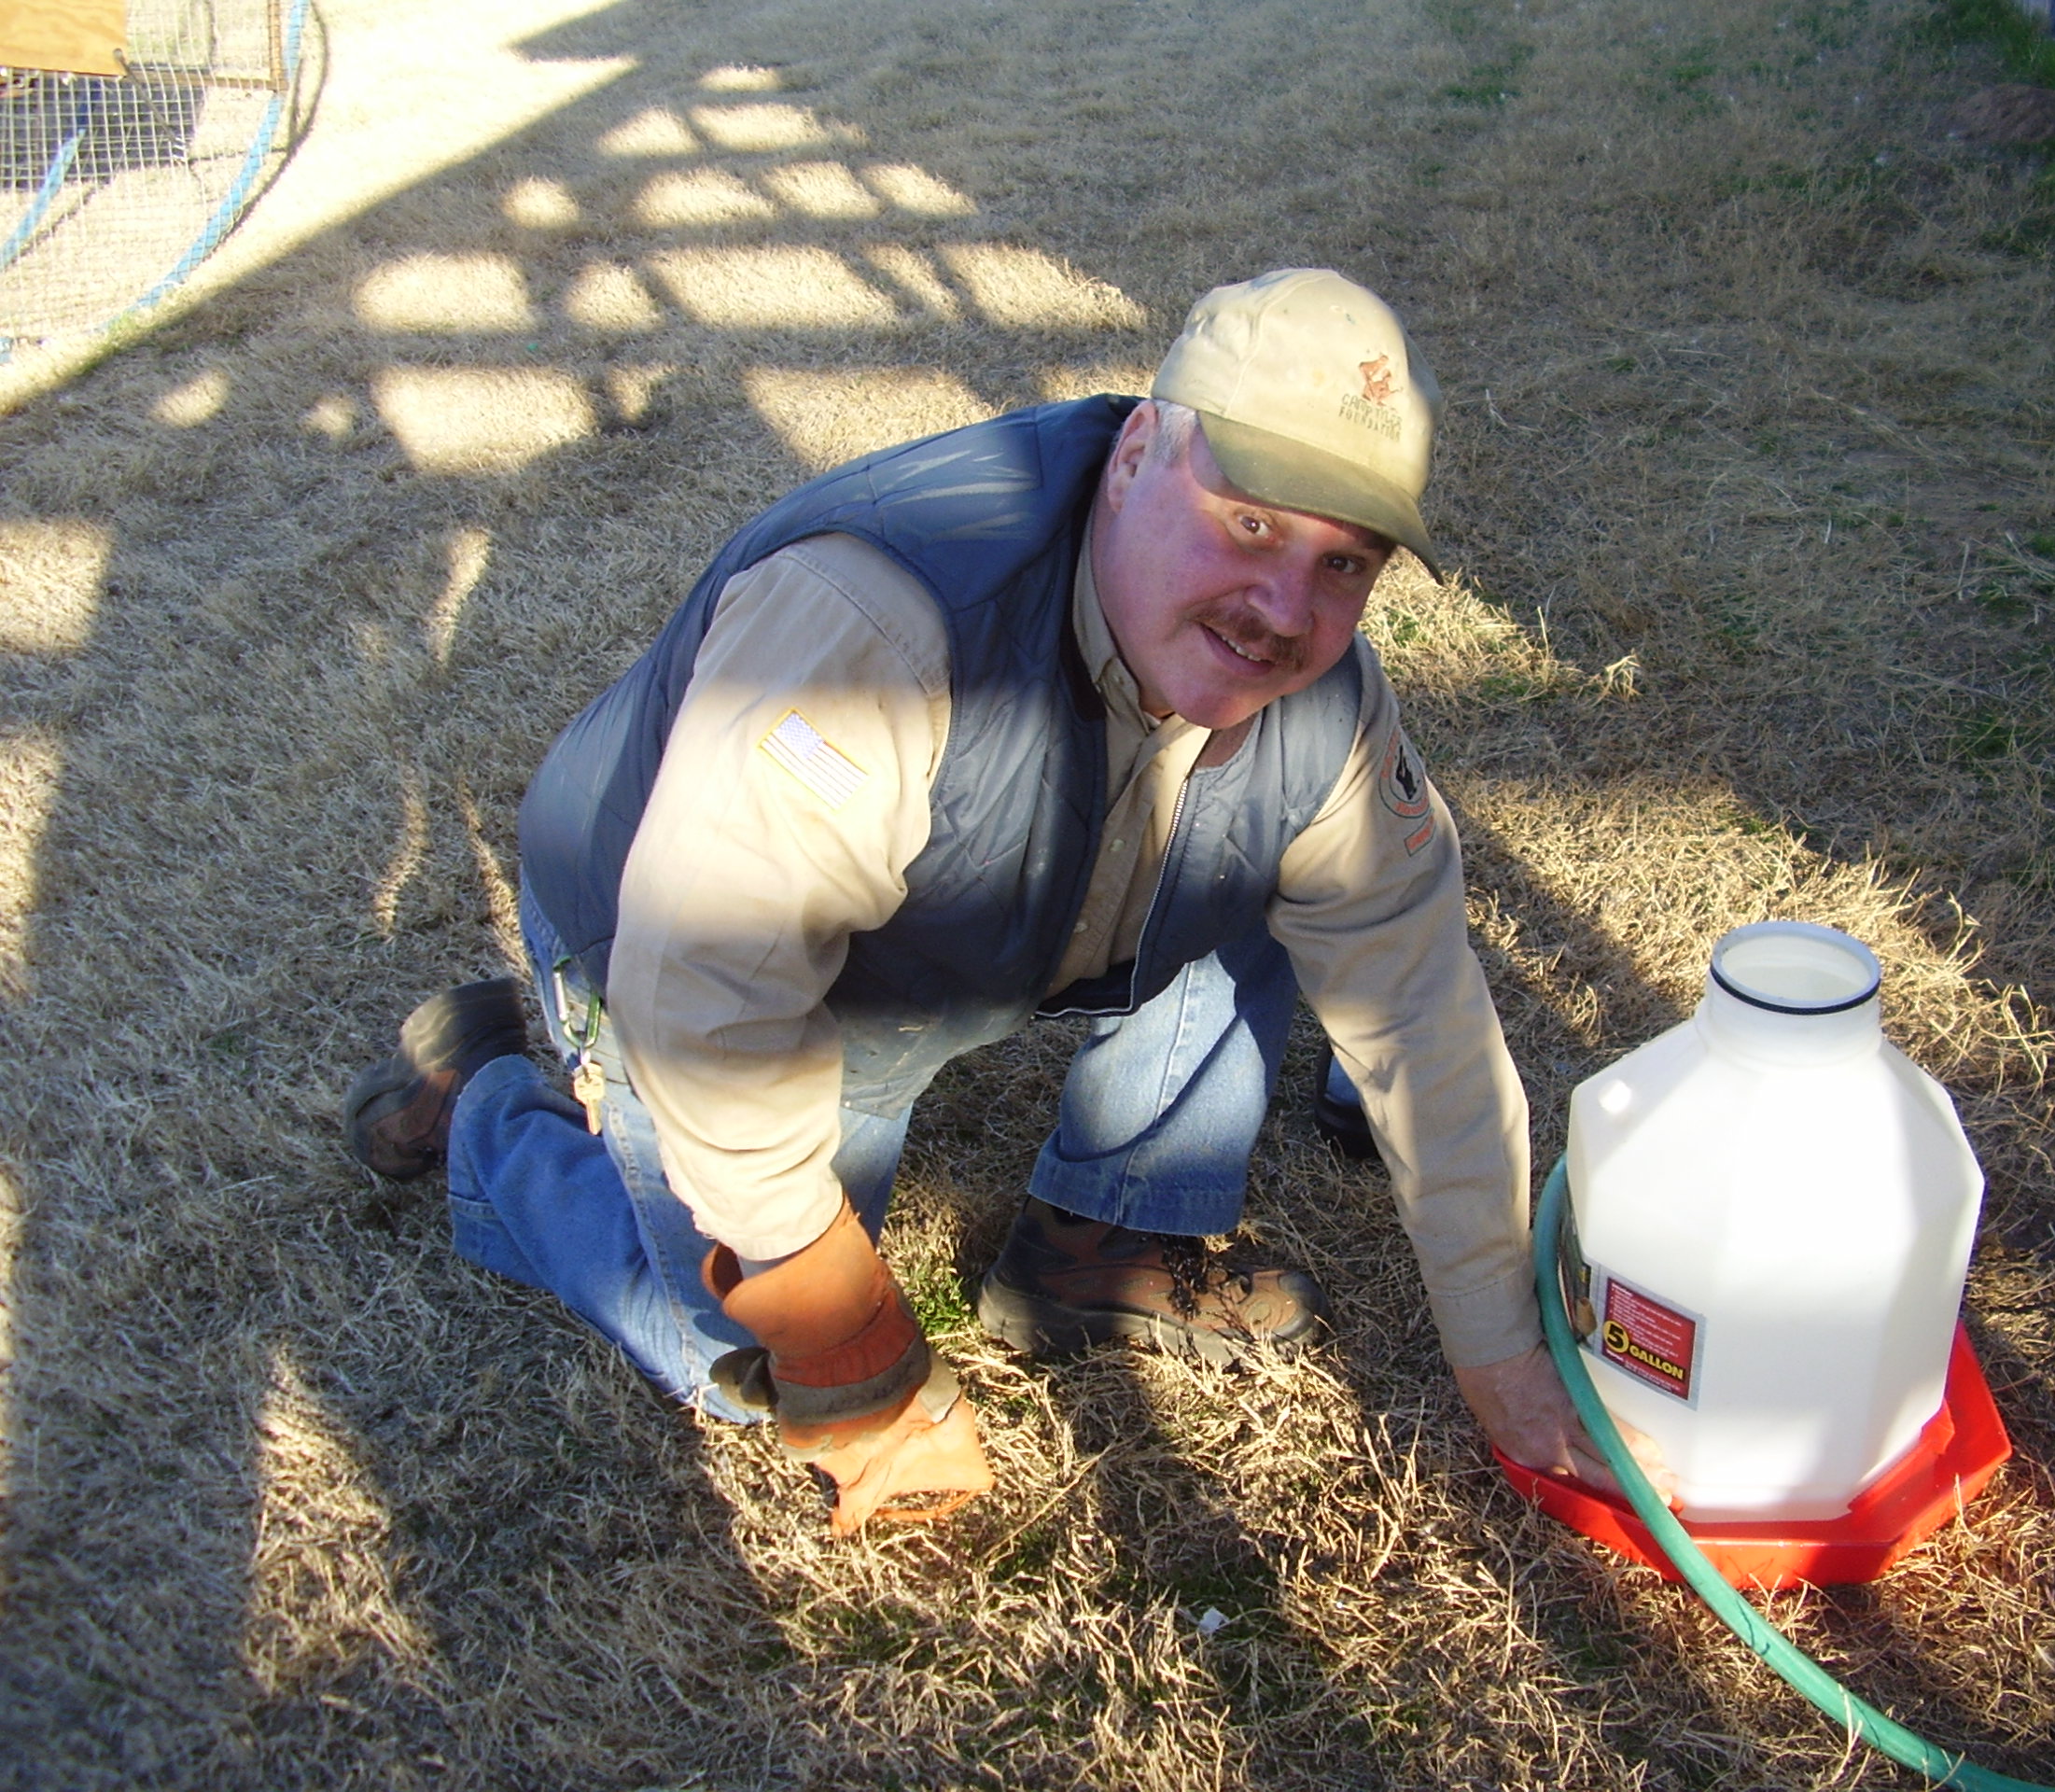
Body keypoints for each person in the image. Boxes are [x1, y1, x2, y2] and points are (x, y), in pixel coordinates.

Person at [343, 268, 1663, 1534]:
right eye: (1254, 520)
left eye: (1346, 563)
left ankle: (1102, 1233)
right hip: (681, 949)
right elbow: (709, 1008)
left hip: (952, 926)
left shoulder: (1322, 705)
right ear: (1139, 449)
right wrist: (841, 1329)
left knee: (1290, 852)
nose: (1286, 609)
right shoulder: (880, 630)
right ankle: (496, 1116)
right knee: (748, 1355)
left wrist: (1507, 1367)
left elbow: (1421, 1008)